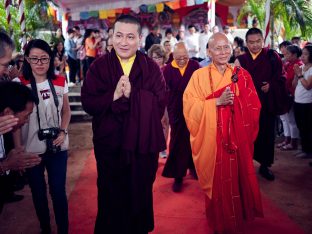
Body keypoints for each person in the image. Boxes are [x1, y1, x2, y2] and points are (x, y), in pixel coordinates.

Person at [81, 15, 166, 234]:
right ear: (111, 37)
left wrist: (133, 95)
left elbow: (160, 102)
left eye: (130, 37)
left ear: (139, 39)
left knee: (139, 193)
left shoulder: (151, 68)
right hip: (110, 145)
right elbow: (89, 102)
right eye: (118, 35)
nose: (124, 42)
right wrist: (113, 95)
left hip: (140, 147)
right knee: (110, 195)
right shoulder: (98, 67)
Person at [183, 32, 263, 234]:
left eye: (226, 47)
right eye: (217, 48)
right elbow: (189, 107)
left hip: (236, 139)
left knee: (236, 180)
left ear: (232, 49)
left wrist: (237, 105)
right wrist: (216, 103)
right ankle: (219, 223)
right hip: (212, 139)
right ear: (208, 51)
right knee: (219, 184)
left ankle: (237, 220)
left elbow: (254, 106)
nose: (222, 52)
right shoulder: (198, 76)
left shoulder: (241, 75)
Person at [19, 39, 71, 234]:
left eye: (44, 58)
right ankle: (45, 228)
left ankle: (63, 230)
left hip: (58, 145)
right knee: (38, 193)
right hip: (30, 148)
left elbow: (66, 111)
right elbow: (15, 121)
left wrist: (63, 130)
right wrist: (19, 150)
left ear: (51, 59)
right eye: (35, 59)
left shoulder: (59, 80)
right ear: (26, 59)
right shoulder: (20, 83)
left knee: (58, 191)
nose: (40, 63)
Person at [235, 28, 285, 181]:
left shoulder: (272, 56)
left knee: (266, 135)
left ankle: (265, 166)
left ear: (263, 41)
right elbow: (234, 80)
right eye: (251, 42)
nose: (255, 45)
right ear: (246, 43)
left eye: (258, 41)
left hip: (266, 104)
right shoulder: (241, 60)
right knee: (246, 137)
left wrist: (271, 85)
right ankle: (245, 166)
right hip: (247, 106)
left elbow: (281, 77)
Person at [162, 42, 200, 192]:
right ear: (173, 56)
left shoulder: (195, 66)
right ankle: (178, 175)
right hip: (176, 110)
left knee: (193, 139)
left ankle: (192, 166)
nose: (182, 60)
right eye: (179, 58)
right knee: (177, 142)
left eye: (185, 57)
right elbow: (163, 91)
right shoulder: (168, 70)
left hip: (193, 109)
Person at [277, 45, 302, 150]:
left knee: (291, 120)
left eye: (287, 54)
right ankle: (287, 139)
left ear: (294, 55)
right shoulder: (287, 64)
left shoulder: (299, 65)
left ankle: (294, 141)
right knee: (285, 119)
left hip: (293, 95)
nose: (284, 55)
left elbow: (292, 82)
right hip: (286, 94)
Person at [147, 44, 169, 159]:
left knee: (165, 124)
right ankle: (153, 146)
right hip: (151, 101)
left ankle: (163, 147)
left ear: (163, 58)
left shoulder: (168, 69)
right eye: (154, 57)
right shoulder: (148, 70)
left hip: (165, 101)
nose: (156, 60)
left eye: (159, 57)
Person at [293, 45, 312, 160]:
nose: (302, 56)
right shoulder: (301, 67)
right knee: (301, 126)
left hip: (308, 103)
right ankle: (304, 149)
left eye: (305, 54)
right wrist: (296, 74)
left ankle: (308, 151)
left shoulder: (311, 69)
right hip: (298, 101)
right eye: (302, 54)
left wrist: (299, 74)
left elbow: (308, 86)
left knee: (308, 128)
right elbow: (294, 85)